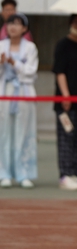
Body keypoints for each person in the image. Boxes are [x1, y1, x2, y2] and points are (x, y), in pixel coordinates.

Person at [52, 14, 77, 191]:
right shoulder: (62, 45)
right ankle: (65, 175)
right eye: (76, 22)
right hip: (65, 103)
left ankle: (75, 173)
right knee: (66, 138)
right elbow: (59, 71)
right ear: (70, 24)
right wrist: (65, 95)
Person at [0, 13, 37, 188]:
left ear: (24, 28)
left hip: (23, 90)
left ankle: (24, 173)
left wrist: (14, 63)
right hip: (6, 90)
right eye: (10, 23)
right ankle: (4, 173)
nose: (13, 27)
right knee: (4, 131)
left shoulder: (30, 47)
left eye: (17, 24)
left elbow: (31, 71)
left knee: (23, 132)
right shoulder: (1, 45)